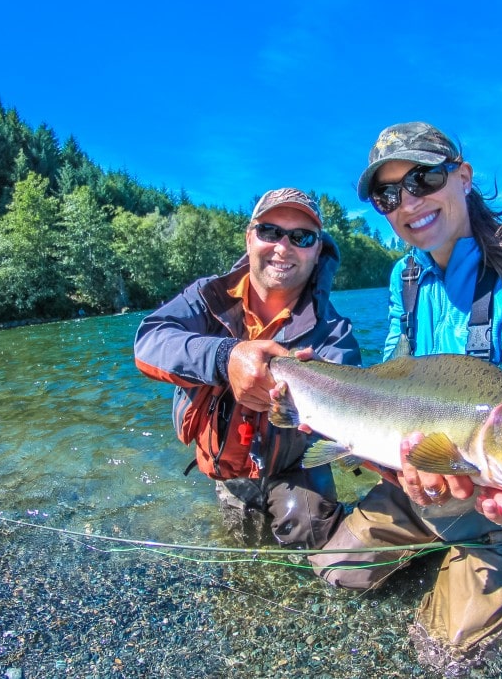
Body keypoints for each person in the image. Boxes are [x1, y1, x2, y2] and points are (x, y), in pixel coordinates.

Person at [308, 121, 502, 674]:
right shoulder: (403, 275)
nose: (408, 202)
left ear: (463, 177)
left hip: (494, 507)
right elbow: (389, 375)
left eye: (423, 179)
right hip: (416, 483)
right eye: (388, 194)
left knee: (449, 656)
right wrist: (351, 428)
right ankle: (436, 547)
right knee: (334, 571)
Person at [133, 187, 361, 549]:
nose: (283, 247)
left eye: (301, 237)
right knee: (239, 546)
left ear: (317, 251)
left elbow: (355, 418)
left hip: (296, 466)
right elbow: (149, 342)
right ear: (249, 237)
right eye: (270, 231)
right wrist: (226, 357)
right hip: (229, 469)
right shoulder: (207, 298)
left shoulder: (334, 333)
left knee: (318, 543)